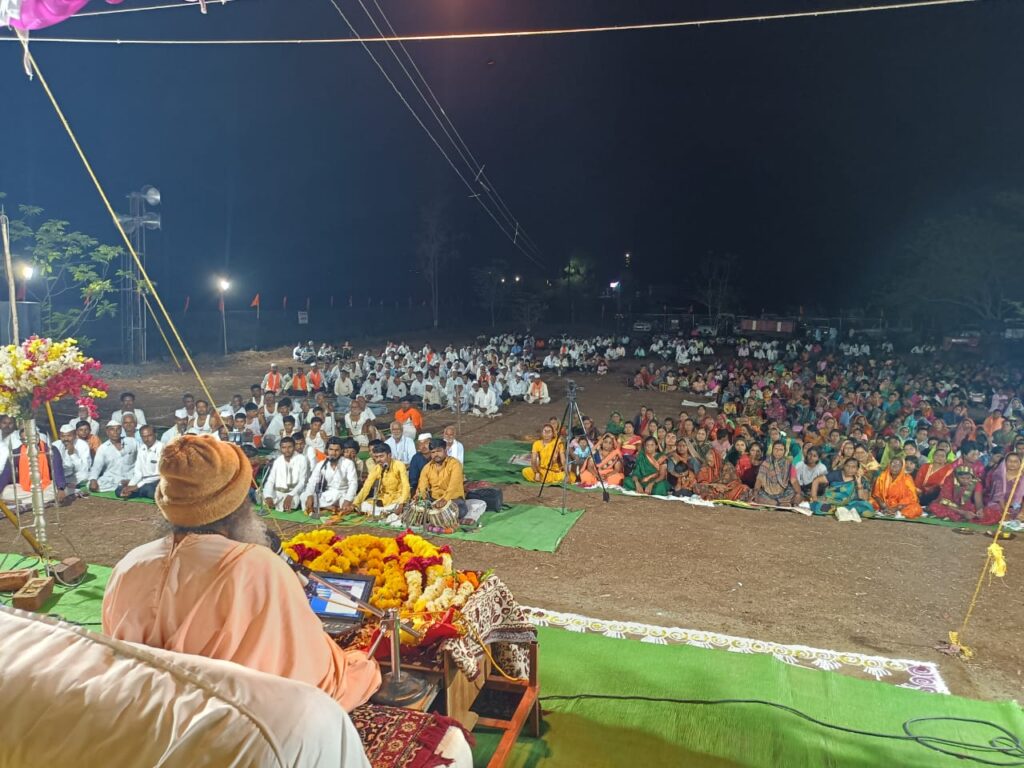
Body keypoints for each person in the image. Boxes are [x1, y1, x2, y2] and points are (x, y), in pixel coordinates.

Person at [101, 435, 382, 713]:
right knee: (356, 670)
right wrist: (358, 668)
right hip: (224, 716)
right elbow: (311, 674)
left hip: (143, 711)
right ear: (238, 508)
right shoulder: (259, 567)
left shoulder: (129, 565)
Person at [416, 437, 482, 523]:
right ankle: (437, 518)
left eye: (439, 451)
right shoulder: (427, 468)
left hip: (453, 500)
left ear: (445, 450)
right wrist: (420, 498)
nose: (436, 454)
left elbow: (454, 485)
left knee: (460, 511)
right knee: (417, 511)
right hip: (434, 500)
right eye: (433, 452)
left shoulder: (455, 464)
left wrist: (445, 499)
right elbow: (422, 487)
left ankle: (436, 519)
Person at [0, 430, 68, 507]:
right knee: (5, 492)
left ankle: (22, 501)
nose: (30, 441)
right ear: (22, 441)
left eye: (32, 437)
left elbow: (58, 469)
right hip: (25, 488)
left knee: (60, 490)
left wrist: (60, 488)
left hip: (46, 486)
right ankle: (37, 500)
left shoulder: (50, 449)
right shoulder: (16, 452)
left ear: (37, 436)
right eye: (26, 439)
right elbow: (6, 474)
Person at [302, 437, 359, 516]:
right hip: (329, 494)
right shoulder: (321, 464)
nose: (333, 453)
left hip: (343, 495)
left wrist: (348, 500)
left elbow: (353, 483)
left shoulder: (348, 463)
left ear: (341, 451)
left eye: (336, 450)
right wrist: (310, 495)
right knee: (304, 497)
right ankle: (330, 507)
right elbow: (312, 482)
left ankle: (327, 507)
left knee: (354, 505)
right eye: (331, 449)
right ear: (327, 450)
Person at [352, 442, 410, 517]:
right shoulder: (377, 468)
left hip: (398, 499)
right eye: (376, 457)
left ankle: (382, 512)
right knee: (363, 505)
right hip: (383, 499)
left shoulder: (399, 465)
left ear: (389, 455)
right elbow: (366, 487)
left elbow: (406, 486)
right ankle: (384, 513)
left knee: (396, 507)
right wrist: (355, 504)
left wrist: (401, 503)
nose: (379, 460)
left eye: (381, 456)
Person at [261, 436, 309, 512]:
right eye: (284, 447)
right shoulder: (278, 461)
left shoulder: (302, 459)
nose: (287, 450)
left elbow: (302, 482)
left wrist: (290, 495)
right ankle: (273, 503)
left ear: (294, 447)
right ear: (280, 449)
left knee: (293, 502)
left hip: (293, 493)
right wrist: (268, 496)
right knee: (263, 494)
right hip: (278, 492)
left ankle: (278, 505)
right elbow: (270, 480)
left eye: (290, 447)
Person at [89, 421, 139, 494]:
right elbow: (96, 466)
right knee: (93, 484)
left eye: (118, 429)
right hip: (112, 478)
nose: (115, 432)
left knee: (142, 481)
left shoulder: (132, 441)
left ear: (121, 430)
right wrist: (93, 480)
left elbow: (142, 456)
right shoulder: (103, 448)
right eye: (112, 429)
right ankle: (125, 486)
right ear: (107, 432)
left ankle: (128, 485)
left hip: (131, 476)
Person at [120, 425, 163, 499]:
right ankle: (136, 492)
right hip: (143, 482)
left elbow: (158, 474)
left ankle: (137, 492)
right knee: (119, 490)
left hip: (157, 481)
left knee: (149, 490)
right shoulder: (142, 448)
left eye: (149, 436)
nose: (146, 439)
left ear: (156, 435)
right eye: (143, 436)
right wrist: (130, 486)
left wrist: (137, 486)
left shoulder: (162, 448)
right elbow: (138, 472)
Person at [753, 441, 802, 506]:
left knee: (795, 494)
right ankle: (780, 504)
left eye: (781, 450)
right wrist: (756, 491)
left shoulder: (788, 464)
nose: (778, 451)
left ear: (784, 452)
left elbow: (794, 480)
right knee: (758, 494)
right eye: (776, 449)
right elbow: (759, 479)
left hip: (783, 493)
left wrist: (798, 493)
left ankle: (777, 503)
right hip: (767, 493)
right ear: (772, 450)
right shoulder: (766, 463)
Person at [982, 452, 1024, 529]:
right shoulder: (999, 475)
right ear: (1005, 462)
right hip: (1000, 506)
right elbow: (999, 496)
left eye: (1015, 461)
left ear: (1020, 463)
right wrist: (1005, 512)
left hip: (1017, 507)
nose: (1012, 463)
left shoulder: (1022, 478)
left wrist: (1022, 512)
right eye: (1010, 461)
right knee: (991, 512)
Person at [914, 440, 953, 507]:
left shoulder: (949, 470)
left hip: (938, 496)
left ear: (946, 459)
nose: (939, 457)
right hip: (921, 493)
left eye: (942, 456)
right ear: (933, 456)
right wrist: (919, 492)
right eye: (937, 455)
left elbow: (947, 487)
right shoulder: (925, 466)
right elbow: (918, 481)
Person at [55, 424, 91, 490]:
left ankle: (68, 485)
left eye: (69, 436)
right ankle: (65, 485)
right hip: (60, 475)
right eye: (63, 436)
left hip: (75, 475)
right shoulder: (55, 445)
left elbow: (84, 468)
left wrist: (73, 454)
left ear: (75, 435)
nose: (66, 439)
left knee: (85, 475)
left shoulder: (82, 445)